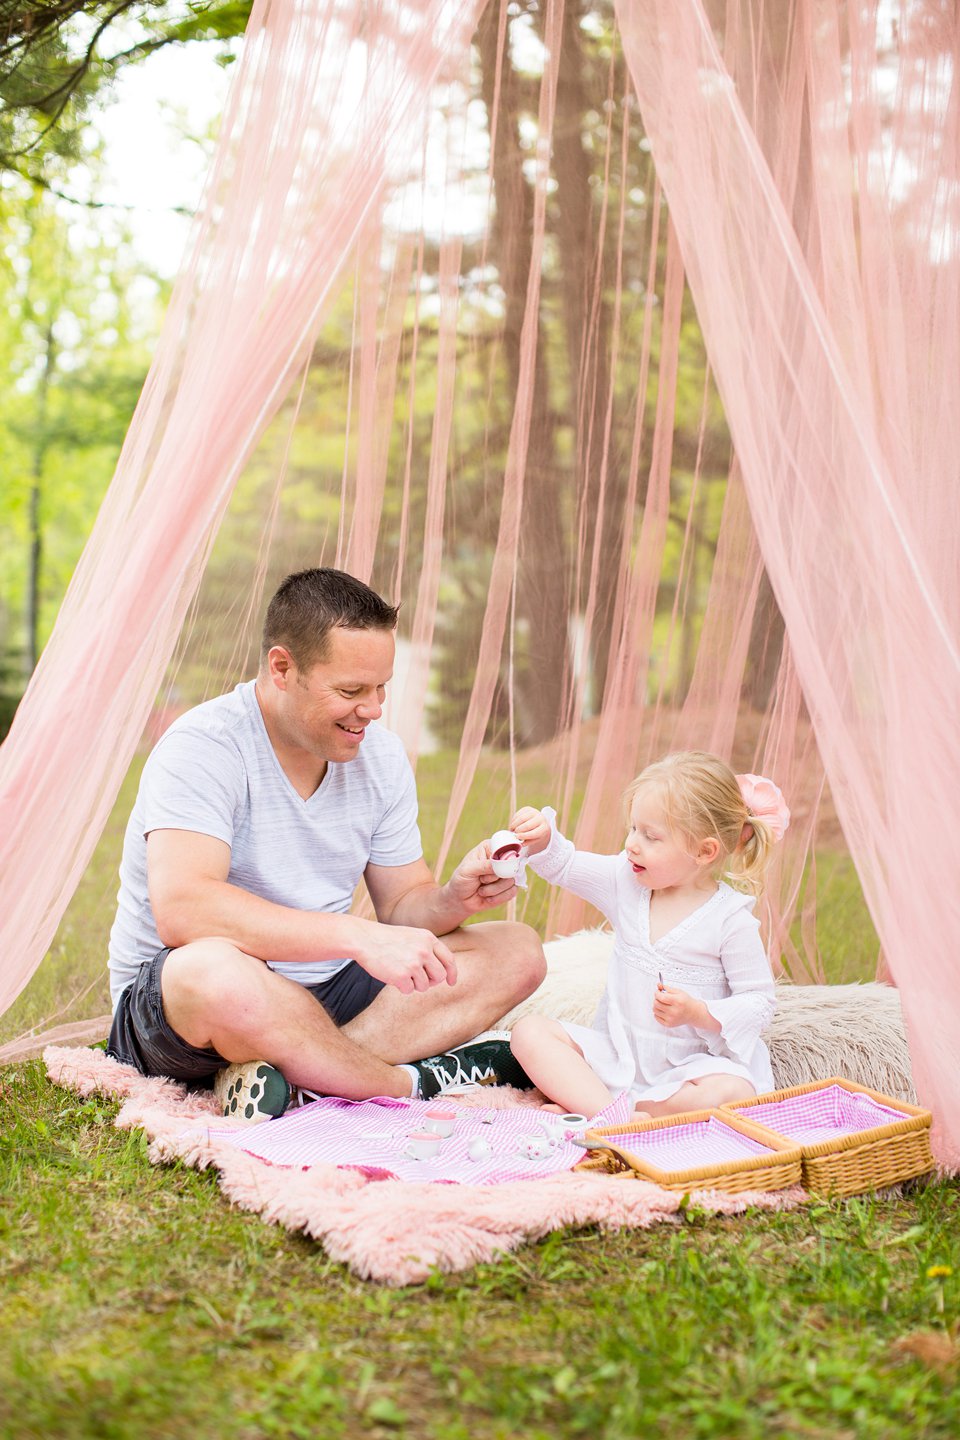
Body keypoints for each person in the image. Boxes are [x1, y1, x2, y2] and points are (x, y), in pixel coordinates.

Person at [106, 567, 544, 1120]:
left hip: (329, 989)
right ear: (282, 668)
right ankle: (403, 1084)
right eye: (351, 690)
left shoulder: (379, 757)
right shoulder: (205, 746)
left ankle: (301, 1080)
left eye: (382, 687)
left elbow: (403, 906)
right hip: (187, 1003)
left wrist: (453, 899)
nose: (374, 709)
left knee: (516, 951)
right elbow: (185, 910)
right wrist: (357, 936)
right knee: (213, 973)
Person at [506, 751, 790, 1119]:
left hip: (688, 1068)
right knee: (529, 1033)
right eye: (633, 828)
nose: (631, 844)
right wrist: (543, 839)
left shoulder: (729, 919)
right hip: (617, 1054)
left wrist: (699, 1012)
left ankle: (609, 1109)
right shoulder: (625, 880)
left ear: (704, 851)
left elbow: (759, 1000)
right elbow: (567, 864)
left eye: (651, 836)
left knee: (732, 1090)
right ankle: (617, 1115)